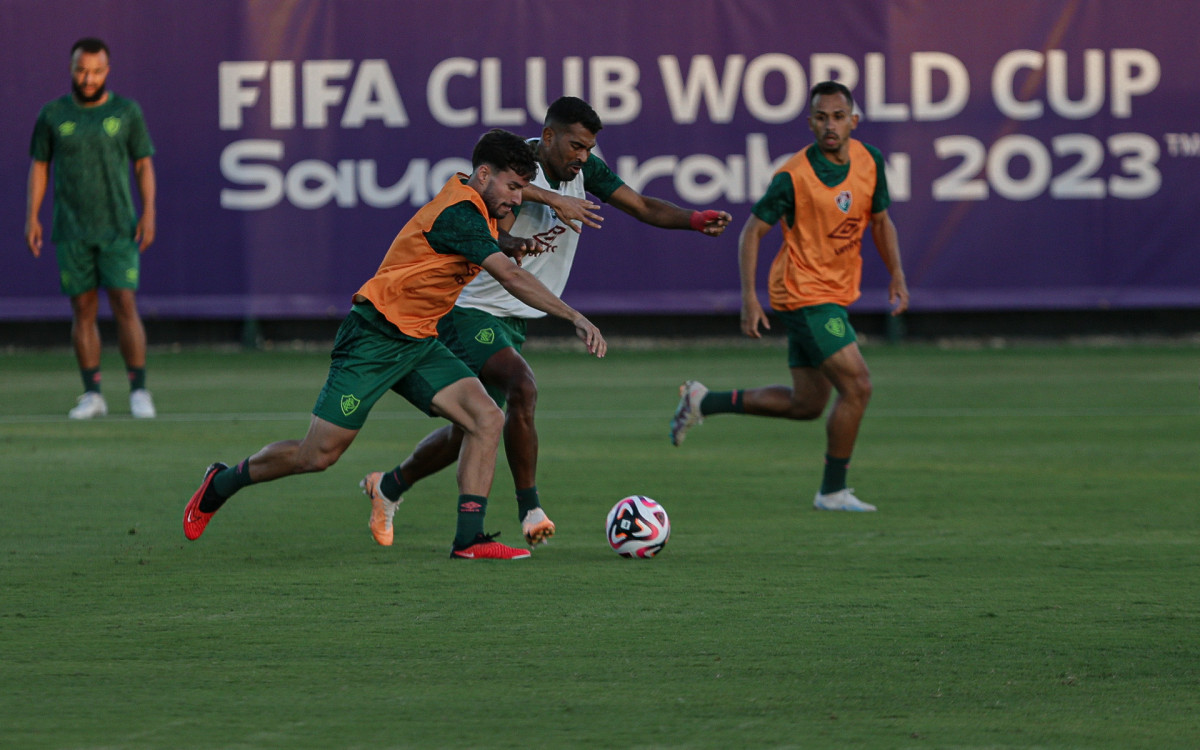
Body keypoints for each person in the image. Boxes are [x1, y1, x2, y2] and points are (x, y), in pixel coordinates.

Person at [183, 129, 607, 560]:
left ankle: (469, 539)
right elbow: (511, 277)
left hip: (420, 341)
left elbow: (475, 243)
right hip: (375, 337)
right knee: (317, 455)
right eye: (513, 187)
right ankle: (221, 482)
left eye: (523, 188)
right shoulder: (461, 211)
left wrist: (510, 241)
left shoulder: (476, 206)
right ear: (483, 174)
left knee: (485, 418)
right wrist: (573, 316)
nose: (518, 199)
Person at [360, 96, 731, 549]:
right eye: (575, 145)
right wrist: (548, 201)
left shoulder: (584, 171)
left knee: (474, 429)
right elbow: (482, 211)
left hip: (515, 316)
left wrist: (693, 219)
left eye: (589, 147)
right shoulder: (517, 167)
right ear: (549, 138)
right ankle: (530, 508)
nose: (583, 156)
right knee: (523, 386)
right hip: (471, 309)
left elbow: (641, 206)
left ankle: (390, 486)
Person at [670, 81, 909, 512]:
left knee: (808, 404)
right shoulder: (793, 177)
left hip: (833, 293)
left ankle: (703, 400)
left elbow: (881, 220)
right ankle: (833, 491)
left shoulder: (870, 160)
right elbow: (752, 232)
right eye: (821, 117)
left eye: (838, 116)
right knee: (858, 386)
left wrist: (897, 274)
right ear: (810, 122)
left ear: (853, 120)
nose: (830, 125)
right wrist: (750, 298)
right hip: (805, 294)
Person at [25, 37, 158, 420]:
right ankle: (92, 393)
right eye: (82, 70)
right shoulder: (52, 115)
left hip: (118, 227)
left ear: (107, 71)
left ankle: (138, 390)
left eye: (96, 71)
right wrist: (32, 215)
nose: (88, 78)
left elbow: (143, 164)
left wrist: (148, 212)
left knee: (124, 304)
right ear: (72, 69)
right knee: (82, 309)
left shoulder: (126, 112)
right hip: (71, 229)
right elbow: (40, 168)